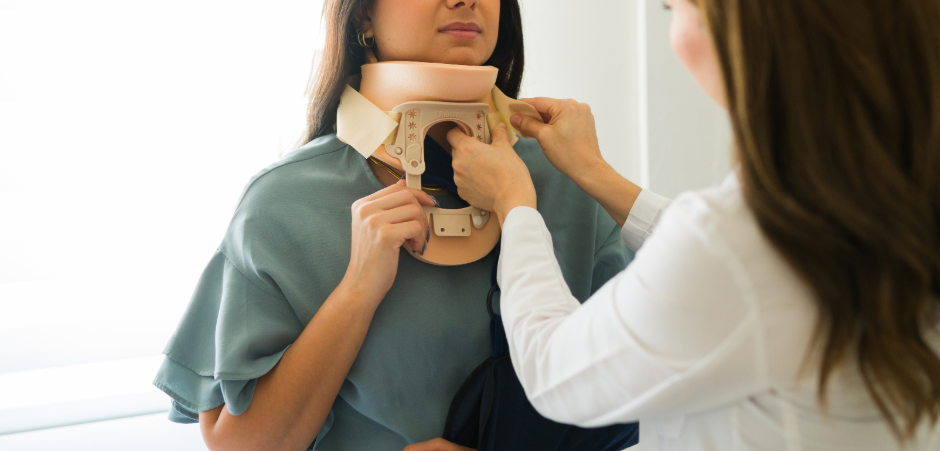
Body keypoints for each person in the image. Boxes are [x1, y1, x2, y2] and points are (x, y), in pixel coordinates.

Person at [447, 0, 940, 449]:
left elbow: (555, 373)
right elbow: (749, 282)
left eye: (674, 7)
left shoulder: (736, 244)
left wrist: (514, 204)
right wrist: (596, 175)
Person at [152, 1, 633, 450]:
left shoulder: (566, 180)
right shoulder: (283, 202)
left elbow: (651, 384)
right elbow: (239, 443)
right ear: (363, 17)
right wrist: (356, 292)